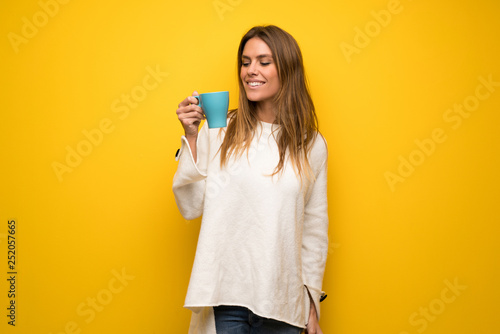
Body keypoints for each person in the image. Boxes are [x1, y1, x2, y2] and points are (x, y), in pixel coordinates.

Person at [173, 25, 329, 334]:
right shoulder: (221, 129)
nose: (250, 71)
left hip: (283, 303)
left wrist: (312, 305)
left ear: (287, 69)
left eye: (263, 61)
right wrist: (192, 138)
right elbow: (190, 205)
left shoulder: (310, 144)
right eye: (245, 62)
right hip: (225, 298)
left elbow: (314, 229)